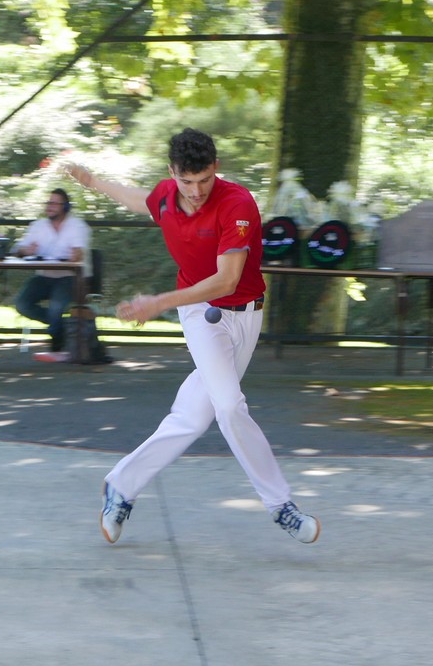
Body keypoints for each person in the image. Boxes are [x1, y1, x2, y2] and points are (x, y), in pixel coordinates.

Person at [63, 129, 320, 545]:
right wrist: (93, 181)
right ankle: (281, 506)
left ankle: (120, 486)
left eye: (204, 180)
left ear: (216, 168)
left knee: (193, 417)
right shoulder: (166, 196)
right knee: (229, 406)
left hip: (246, 314)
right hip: (202, 315)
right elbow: (140, 200)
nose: (196, 191)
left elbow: (227, 279)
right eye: (186, 181)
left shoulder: (237, 204)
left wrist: (157, 302)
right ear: (172, 173)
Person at [12, 187, 91, 363]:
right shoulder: (38, 226)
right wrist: (25, 250)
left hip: (70, 277)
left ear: (66, 207)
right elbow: (18, 249)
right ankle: (62, 326)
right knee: (22, 304)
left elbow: (80, 253)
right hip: (44, 276)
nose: (50, 206)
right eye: (48, 203)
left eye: (55, 203)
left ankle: (57, 346)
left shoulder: (77, 226)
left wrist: (77, 255)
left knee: (56, 306)